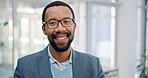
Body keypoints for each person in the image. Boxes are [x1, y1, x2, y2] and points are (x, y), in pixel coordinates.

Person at [14, 1, 105, 78]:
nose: (60, 29)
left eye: (66, 21)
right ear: (44, 29)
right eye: (52, 23)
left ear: (74, 26)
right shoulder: (25, 67)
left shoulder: (93, 65)